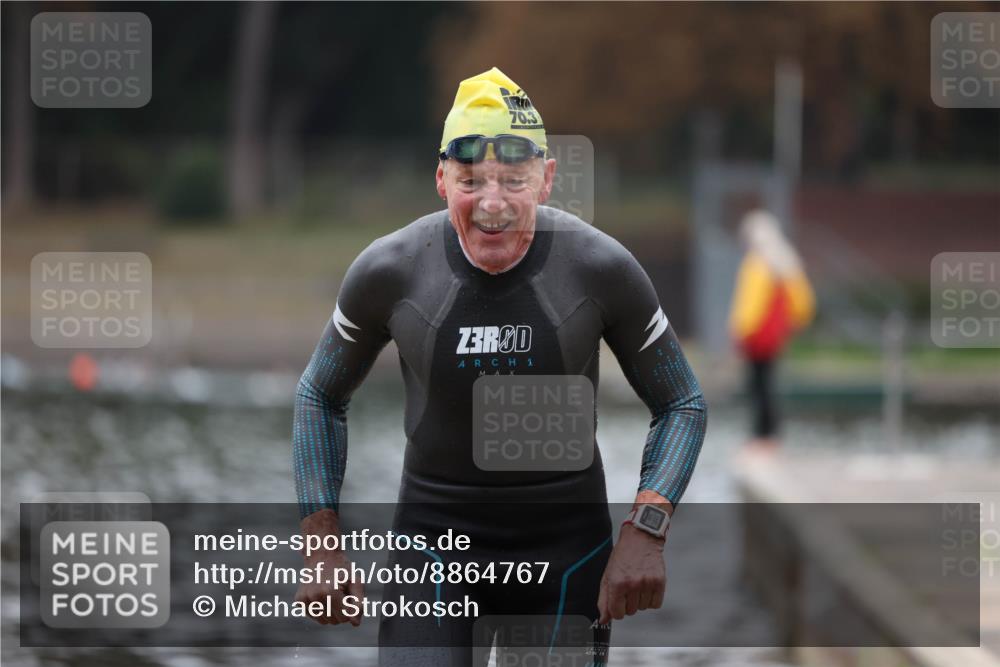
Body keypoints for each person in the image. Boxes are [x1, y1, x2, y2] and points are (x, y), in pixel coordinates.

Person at [292, 67, 707, 666]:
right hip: (433, 547)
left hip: (563, 554)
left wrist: (645, 530)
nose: (492, 204)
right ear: (440, 179)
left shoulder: (599, 268)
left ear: (546, 179)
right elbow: (318, 395)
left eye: (513, 179)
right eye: (470, 181)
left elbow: (682, 404)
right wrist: (321, 547)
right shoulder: (390, 271)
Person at [728, 210, 815, 450]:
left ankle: (761, 435)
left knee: (757, 385)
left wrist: (740, 331)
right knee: (768, 383)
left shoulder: (757, 264)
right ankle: (771, 434)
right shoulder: (786, 262)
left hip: (757, 337)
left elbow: (750, 304)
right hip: (776, 336)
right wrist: (795, 322)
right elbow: (803, 301)